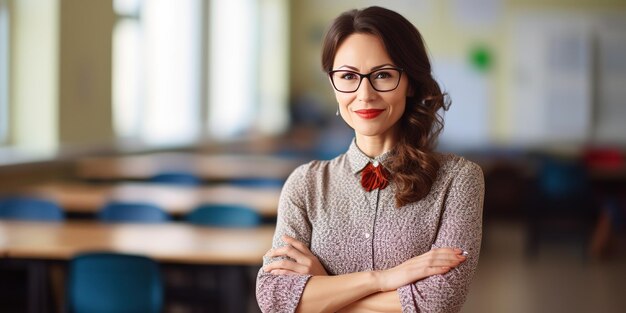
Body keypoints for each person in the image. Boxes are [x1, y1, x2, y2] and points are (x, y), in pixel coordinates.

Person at [256, 6, 484, 313]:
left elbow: (438, 302)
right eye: (348, 76)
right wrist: (384, 279)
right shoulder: (306, 183)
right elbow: (275, 299)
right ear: (333, 84)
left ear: (411, 83)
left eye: (383, 75)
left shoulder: (459, 180)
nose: (364, 94)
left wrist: (323, 288)